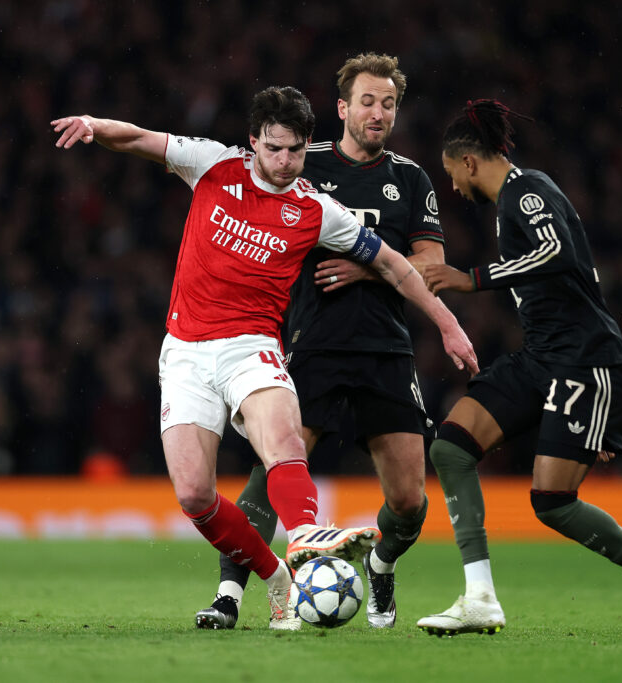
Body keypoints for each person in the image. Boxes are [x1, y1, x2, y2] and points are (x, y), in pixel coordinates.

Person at [50, 86, 477, 631]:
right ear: (253, 141)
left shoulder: (316, 209)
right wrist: (94, 124)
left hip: (252, 347)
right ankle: (276, 577)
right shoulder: (212, 164)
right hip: (185, 352)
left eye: (296, 151)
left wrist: (448, 323)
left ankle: (305, 536)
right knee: (194, 494)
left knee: (283, 442)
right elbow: (137, 139)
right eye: (274, 149)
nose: (285, 162)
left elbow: (394, 264)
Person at [417, 100, 622, 642]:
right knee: (450, 447)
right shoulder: (509, 204)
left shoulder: (527, 190)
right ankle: (480, 598)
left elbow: (557, 252)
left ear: (469, 162)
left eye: (452, 174)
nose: (453, 187)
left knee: (551, 502)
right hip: (541, 357)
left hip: (585, 360)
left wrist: (471, 278)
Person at [196, 53, 452, 631]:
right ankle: (229, 595)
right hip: (311, 344)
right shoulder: (298, 161)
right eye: (367, 101)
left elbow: (431, 264)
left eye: (388, 104)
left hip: (386, 350)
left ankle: (381, 564)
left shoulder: (410, 179)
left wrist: (367, 266)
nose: (378, 113)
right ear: (342, 108)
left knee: (409, 500)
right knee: (271, 469)